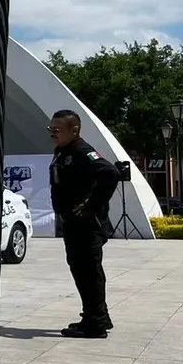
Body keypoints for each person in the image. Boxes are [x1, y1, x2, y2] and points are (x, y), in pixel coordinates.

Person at [48, 110, 120, 338]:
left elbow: (110, 173)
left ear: (74, 130)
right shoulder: (63, 151)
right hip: (73, 224)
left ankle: (95, 324)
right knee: (81, 270)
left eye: (57, 130)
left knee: (88, 271)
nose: (52, 134)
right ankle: (97, 315)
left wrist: (90, 205)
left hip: (87, 226)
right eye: (50, 129)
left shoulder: (82, 151)